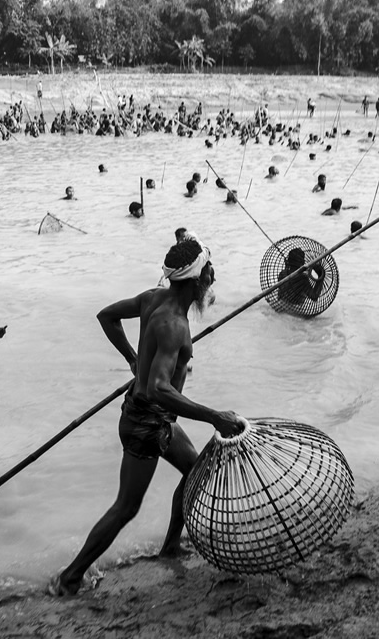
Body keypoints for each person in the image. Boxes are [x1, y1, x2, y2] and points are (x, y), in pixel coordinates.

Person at [49, 238, 242, 596]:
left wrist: (132, 357)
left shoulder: (153, 298)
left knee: (197, 470)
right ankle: (70, 577)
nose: (213, 277)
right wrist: (215, 416)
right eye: (209, 272)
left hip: (156, 418)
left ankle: (170, 546)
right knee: (126, 508)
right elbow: (157, 389)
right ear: (196, 280)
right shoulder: (173, 325)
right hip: (146, 423)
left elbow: (106, 316)